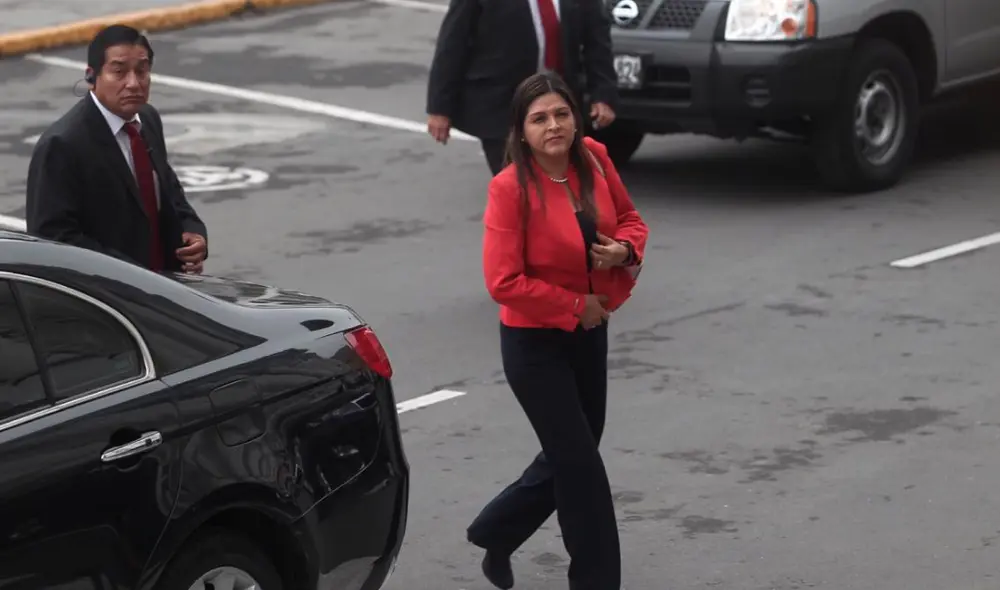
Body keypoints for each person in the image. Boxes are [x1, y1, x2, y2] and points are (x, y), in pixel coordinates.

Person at [468, 71, 648, 590]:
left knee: (575, 452)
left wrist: (624, 250)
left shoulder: (593, 157)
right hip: (534, 342)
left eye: (561, 113)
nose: (554, 126)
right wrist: (575, 304)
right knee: (583, 471)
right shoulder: (509, 189)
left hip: (590, 332)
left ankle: (497, 530)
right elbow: (503, 281)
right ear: (521, 131)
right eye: (539, 118)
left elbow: (632, 219)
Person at [25, 24, 208, 274]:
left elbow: (168, 191)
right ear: (92, 76)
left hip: (166, 289)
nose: (133, 83)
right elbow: (54, 239)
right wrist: (127, 275)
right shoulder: (63, 145)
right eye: (119, 72)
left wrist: (193, 231)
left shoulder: (148, 119)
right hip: (108, 297)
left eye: (142, 71)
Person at [425, 0, 619, 176]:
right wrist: (440, 107)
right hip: (502, 108)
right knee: (520, 186)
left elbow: (597, 42)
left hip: (559, 105)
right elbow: (452, 44)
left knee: (560, 185)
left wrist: (603, 94)